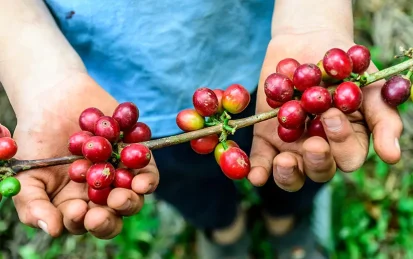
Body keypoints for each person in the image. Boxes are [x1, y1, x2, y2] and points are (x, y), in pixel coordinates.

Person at [0, 0, 403, 258]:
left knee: (300, 156)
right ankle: (223, 232)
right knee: (185, 182)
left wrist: (315, 17)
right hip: (131, 97)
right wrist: (41, 77)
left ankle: (289, 222)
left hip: (264, 52)